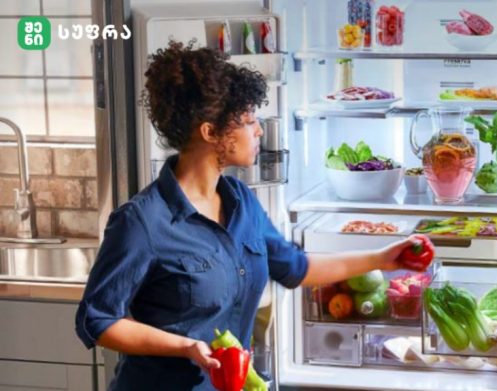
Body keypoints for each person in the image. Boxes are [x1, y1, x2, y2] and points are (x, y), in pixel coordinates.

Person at [75, 41, 427, 390]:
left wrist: (383, 257)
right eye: (248, 120)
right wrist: (184, 346)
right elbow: (98, 319)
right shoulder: (142, 222)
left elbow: (295, 267)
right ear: (210, 132)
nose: (259, 130)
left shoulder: (241, 202)